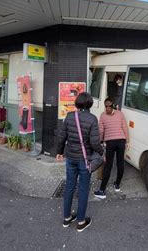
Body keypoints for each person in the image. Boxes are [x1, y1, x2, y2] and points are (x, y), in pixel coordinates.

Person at [56, 92, 104, 232]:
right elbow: (95, 143)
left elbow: (61, 137)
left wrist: (59, 152)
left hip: (70, 158)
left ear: (77, 103)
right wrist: (102, 152)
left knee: (69, 187)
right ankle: (81, 221)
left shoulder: (70, 116)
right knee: (83, 190)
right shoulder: (92, 119)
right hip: (85, 160)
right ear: (90, 103)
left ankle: (66, 218)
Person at [94, 97, 129, 198]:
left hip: (110, 142)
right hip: (121, 141)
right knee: (120, 163)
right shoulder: (120, 113)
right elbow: (125, 128)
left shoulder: (102, 115)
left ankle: (102, 190)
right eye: (107, 106)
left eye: (107, 106)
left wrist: (100, 141)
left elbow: (101, 131)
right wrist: (127, 141)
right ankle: (117, 185)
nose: (107, 108)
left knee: (108, 165)